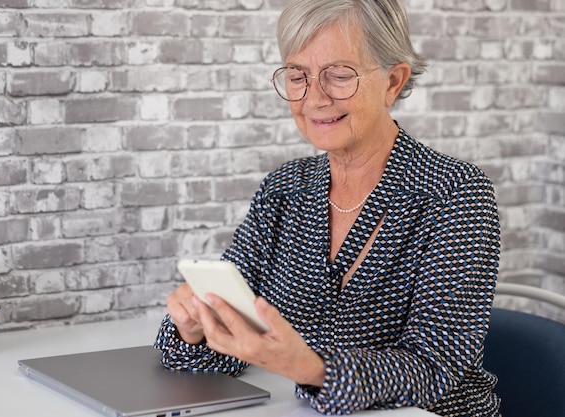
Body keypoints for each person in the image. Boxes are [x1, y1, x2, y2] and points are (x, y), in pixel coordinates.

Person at [155, 0, 501, 416]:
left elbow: (433, 366)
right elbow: (234, 340)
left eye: (339, 75)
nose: (315, 97)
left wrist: (312, 369)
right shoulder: (284, 189)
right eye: (298, 76)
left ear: (393, 81)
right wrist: (196, 329)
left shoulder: (455, 193)